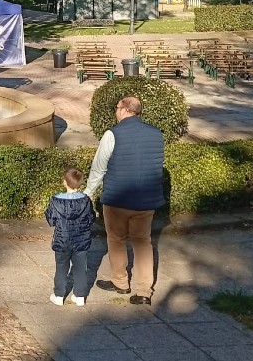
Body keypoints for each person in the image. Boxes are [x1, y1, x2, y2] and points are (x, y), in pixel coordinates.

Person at [85, 96, 166, 306]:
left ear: (124, 110)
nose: (116, 111)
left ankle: (120, 282)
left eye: (117, 107)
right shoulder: (156, 134)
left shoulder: (112, 134)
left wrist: (88, 193)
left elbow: (99, 167)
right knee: (143, 242)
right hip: (147, 200)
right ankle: (144, 291)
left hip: (117, 199)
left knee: (116, 240)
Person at [46, 168, 95, 307]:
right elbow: (91, 218)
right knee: (80, 267)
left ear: (64, 182)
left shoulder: (56, 200)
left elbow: (51, 220)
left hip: (62, 239)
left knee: (61, 267)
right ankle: (79, 296)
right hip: (82, 239)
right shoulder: (85, 200)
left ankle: (59, 295)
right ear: (80, 184)